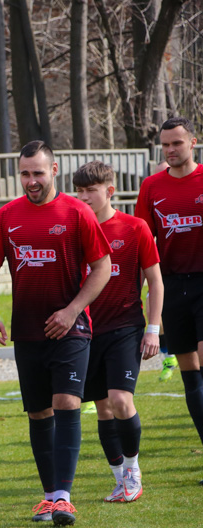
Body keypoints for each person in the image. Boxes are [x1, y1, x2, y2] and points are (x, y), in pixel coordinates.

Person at [0, 141, 112, 527]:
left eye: (38, 173)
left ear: (54, 170)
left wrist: (73, 310)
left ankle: (64, 497)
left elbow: (102, 267)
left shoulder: (76, 213)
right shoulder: (6, 216)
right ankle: (49, 496)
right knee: (39, 411)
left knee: (67, 403)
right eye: (25, 173)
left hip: (72, 329)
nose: (31, 181)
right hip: (26, 330)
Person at [73, 161, 163, 503]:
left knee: (121, 400)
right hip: (85, 331)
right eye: (79, 191)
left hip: (125, 326)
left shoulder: (134, 227)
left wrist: (153, 329)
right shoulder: (74, 229)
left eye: (90, 191)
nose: (84, 197)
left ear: (109, 191)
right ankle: (120, 478)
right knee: (103, 407)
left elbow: (155, 280)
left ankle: (133, 468)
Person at [134, 117, 203, 483]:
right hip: (173, 286)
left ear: (193, 141)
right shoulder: (151, 187)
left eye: (178, 143)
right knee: (191, 375)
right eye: (165, 145)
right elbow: (143, 242)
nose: (172, 150)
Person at [150, 159, 179, 382]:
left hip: (192, 274)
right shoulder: (154, 195)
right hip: (164, 271)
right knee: (154, 312)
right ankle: (169, 356)